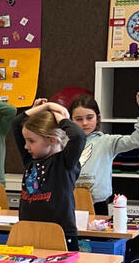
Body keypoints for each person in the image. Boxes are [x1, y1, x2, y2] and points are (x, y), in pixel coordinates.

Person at [14, 99, 87, 250]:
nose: (26, 146)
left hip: (61, 235)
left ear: (52, 140)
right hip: (29, 231)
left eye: (31, 141)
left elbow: (78, 136)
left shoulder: (64, 163)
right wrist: (43, 108)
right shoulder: (30, 160)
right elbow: (16, 123)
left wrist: (61, 119)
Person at [69, 91, 139, 214]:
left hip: (98, 204)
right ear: (71, 121)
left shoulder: (107, 142)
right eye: (78, 119)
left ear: (98, 118)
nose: (84, 123)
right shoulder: (64, 142)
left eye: (89, 118)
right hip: (69, 203)